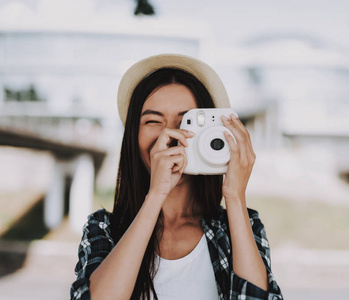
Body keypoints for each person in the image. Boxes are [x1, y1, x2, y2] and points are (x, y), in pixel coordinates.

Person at [70, 54, 283, 300]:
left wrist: (235, 196)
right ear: (132, 137)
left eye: (186, 121)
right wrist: (155, 196)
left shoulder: (242, 226)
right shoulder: (103, 228)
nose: (169, 135)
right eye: (152, 121)